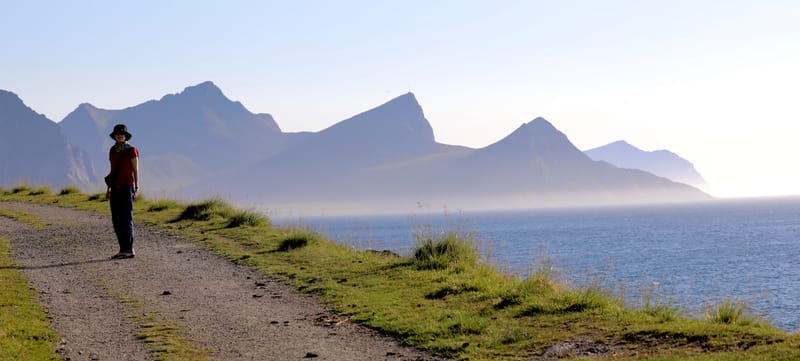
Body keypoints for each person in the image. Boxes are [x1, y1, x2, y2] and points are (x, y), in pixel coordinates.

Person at [105, 124, 140, 259]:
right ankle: (122, 249)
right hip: (115, 188)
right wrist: (108, 189)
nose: (119, 135)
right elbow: (113, 171)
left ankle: (129, 249)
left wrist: (136, 187)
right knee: (116, 219)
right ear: (114, 136)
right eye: (117, 133)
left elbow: (135, 170)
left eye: (122, 133)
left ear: (126, 136)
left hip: (127, 187)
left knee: (126, 218)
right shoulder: (113, 150)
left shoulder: (132, 150)